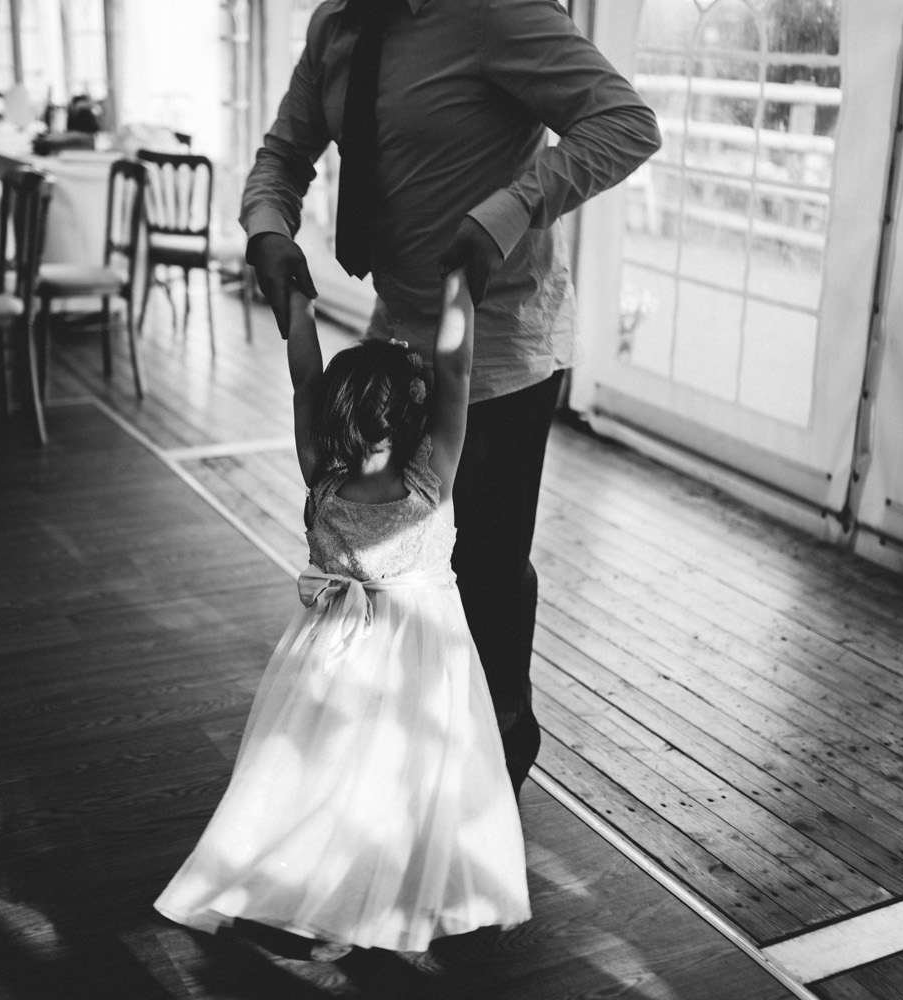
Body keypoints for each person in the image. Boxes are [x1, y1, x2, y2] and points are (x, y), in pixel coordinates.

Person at [242, 0, 660, 797]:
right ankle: (415, 751)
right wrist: (268, 223)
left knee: (483, 566)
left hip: (496, 342)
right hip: (393, 325)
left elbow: (625, 122)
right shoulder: (338, 24)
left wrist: (509, 210)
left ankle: (501, 749)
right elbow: (285, 152)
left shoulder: (497, 11)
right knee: (407, 572)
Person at [156, 273, 530, 957]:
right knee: (408, 775)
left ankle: (327, 893)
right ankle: (378, 897)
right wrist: (459, 285)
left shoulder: (320, 474)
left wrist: (296, 306)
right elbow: (457, 364)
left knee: (325, 774)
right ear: (413, 421)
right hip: (423, 660)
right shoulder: (431, 480)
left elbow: (304, 379)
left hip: (331, 654)